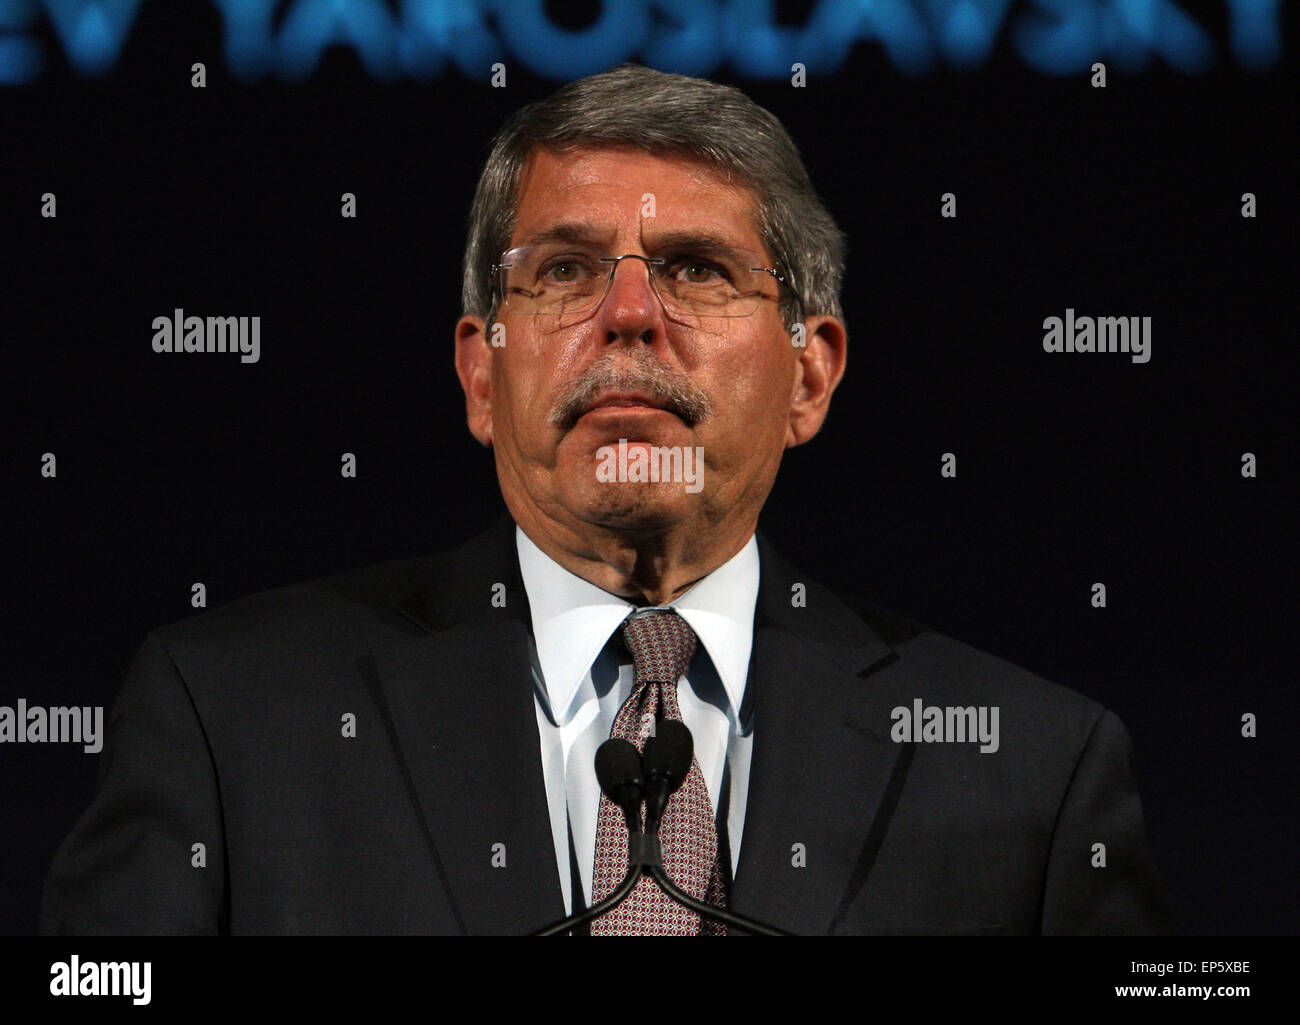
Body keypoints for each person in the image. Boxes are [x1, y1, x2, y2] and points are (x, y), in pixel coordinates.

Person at [40, 64, 1167, 936]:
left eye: (697, 269)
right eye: (566, 270)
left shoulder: (1030, 762)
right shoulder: (231, 718)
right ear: (482, 372)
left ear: (810, 374)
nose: (628, 316)